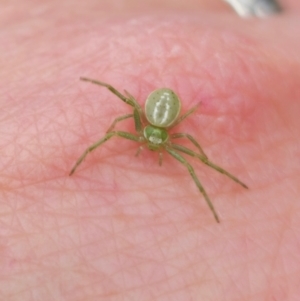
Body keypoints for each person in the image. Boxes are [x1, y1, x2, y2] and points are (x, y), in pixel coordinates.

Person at [1, 0, 299, 300]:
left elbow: (195, 153)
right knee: (132, 127)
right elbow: (120, 113)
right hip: (158, 113)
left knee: (195, 165)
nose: (153, 144)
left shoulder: (171, 134)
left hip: (164, 114)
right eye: (152, 140)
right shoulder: (138, 126)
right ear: (147, 132)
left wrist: (203, 154)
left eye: (156, 141)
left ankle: (225, 190)